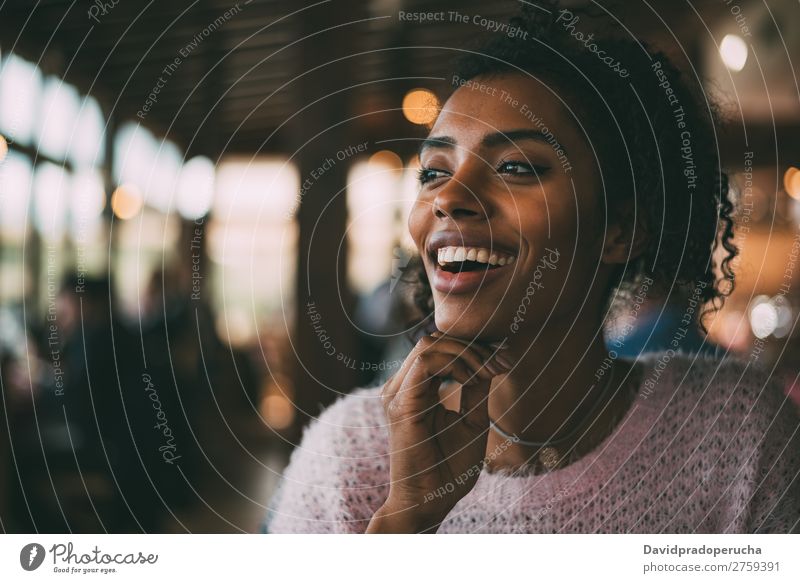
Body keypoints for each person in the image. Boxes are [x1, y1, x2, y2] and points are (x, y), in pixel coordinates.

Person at [264, 2, 800, 533]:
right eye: (433, 172)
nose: (449, 196)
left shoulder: (735, 434)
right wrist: (405, 520)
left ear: (622, 228)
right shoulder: (348, 460)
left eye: (516, 167)